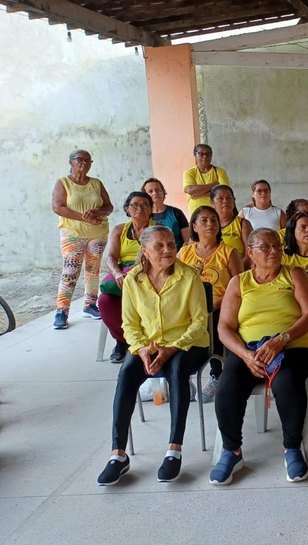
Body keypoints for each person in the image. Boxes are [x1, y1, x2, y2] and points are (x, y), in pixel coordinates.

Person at [96, 226, 209, 485]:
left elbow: (199, 323)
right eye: (160, 246)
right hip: (149, 345)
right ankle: (118, 454)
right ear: (145, 251)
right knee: (126, 373)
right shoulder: (133, 280)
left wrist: (173, 347)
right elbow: (130, 324)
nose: (168, 250)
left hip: (188, 345)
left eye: (171, 244)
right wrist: (142, 349)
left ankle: (174, 449)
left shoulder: (189, 276)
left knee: (178, 370)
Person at [210, 228, 308, 484]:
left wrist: (282, 339)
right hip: (250, 350)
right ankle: (232, 451)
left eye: (277, 247)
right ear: (250, 253)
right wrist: (245, 355)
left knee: (287, 381)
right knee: (227, 386)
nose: (274, 251)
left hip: (293, 347)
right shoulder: (239, 282)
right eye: (265, 247)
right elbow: (224, 328)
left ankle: (292, 448)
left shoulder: (294, 274)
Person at [177, 206, 243, 402]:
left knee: (213, 320)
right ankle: (185, 375)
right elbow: (177, 283)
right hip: (190, 305)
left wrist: (216, 304)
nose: (210, 224)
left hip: (221, 304)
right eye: (204, 221)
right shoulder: (184, 253)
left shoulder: (228, 252)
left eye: (214, 220)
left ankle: (216, 374)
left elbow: (240, 286)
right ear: (194, 227)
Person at [51, 149, 113, 329]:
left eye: (88, 160)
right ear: (71, 162)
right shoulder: (63, 182)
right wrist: (84, 217)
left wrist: (98, 212)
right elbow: (57, 207)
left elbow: (109, 206)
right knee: (70, 271)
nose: (84, 163)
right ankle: (62, 311)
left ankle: (90, 305)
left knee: (93, 270)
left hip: (98, 233)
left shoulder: (96, 183)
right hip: (73, 233)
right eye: (80, 159)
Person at [98, 191, 155, 363]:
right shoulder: (119, 230)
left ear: (151, 209)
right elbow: (110, 257)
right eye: (135, 205)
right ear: (127, 209)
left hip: (148, 269)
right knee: (105, 300)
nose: (140, 208)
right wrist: (116, 273)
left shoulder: (156, 229)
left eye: (145, 205)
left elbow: (158, 256)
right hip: (122, 270)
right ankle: (123, 341)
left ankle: (145, 340)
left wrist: (136, 271)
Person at [142, 178, 189, 250]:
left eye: (158, 190)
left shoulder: (176, 213)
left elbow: (187, 240)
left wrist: (179, 255)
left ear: (163, 192)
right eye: (150, 191)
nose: (155, 193)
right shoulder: (143, 216)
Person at [183, 144, 230, 213]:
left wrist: (196, 193)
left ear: (211, 156)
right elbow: (190, 190)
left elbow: (223, 192)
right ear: (195, 155)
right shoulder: (189, 173)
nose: (205, 156)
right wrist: (214, 185)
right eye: (201, 154)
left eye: (208, 154)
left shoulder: (219, 172)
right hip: (196, 213)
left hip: (216, 212)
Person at [210, 185, 252, 262]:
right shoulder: (207, 224)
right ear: (212, 203)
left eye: (229, 198)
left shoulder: (243, 224)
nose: (225, 201)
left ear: (234, 201)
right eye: (220, 198)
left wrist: (235, 269)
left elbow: (250, 254)